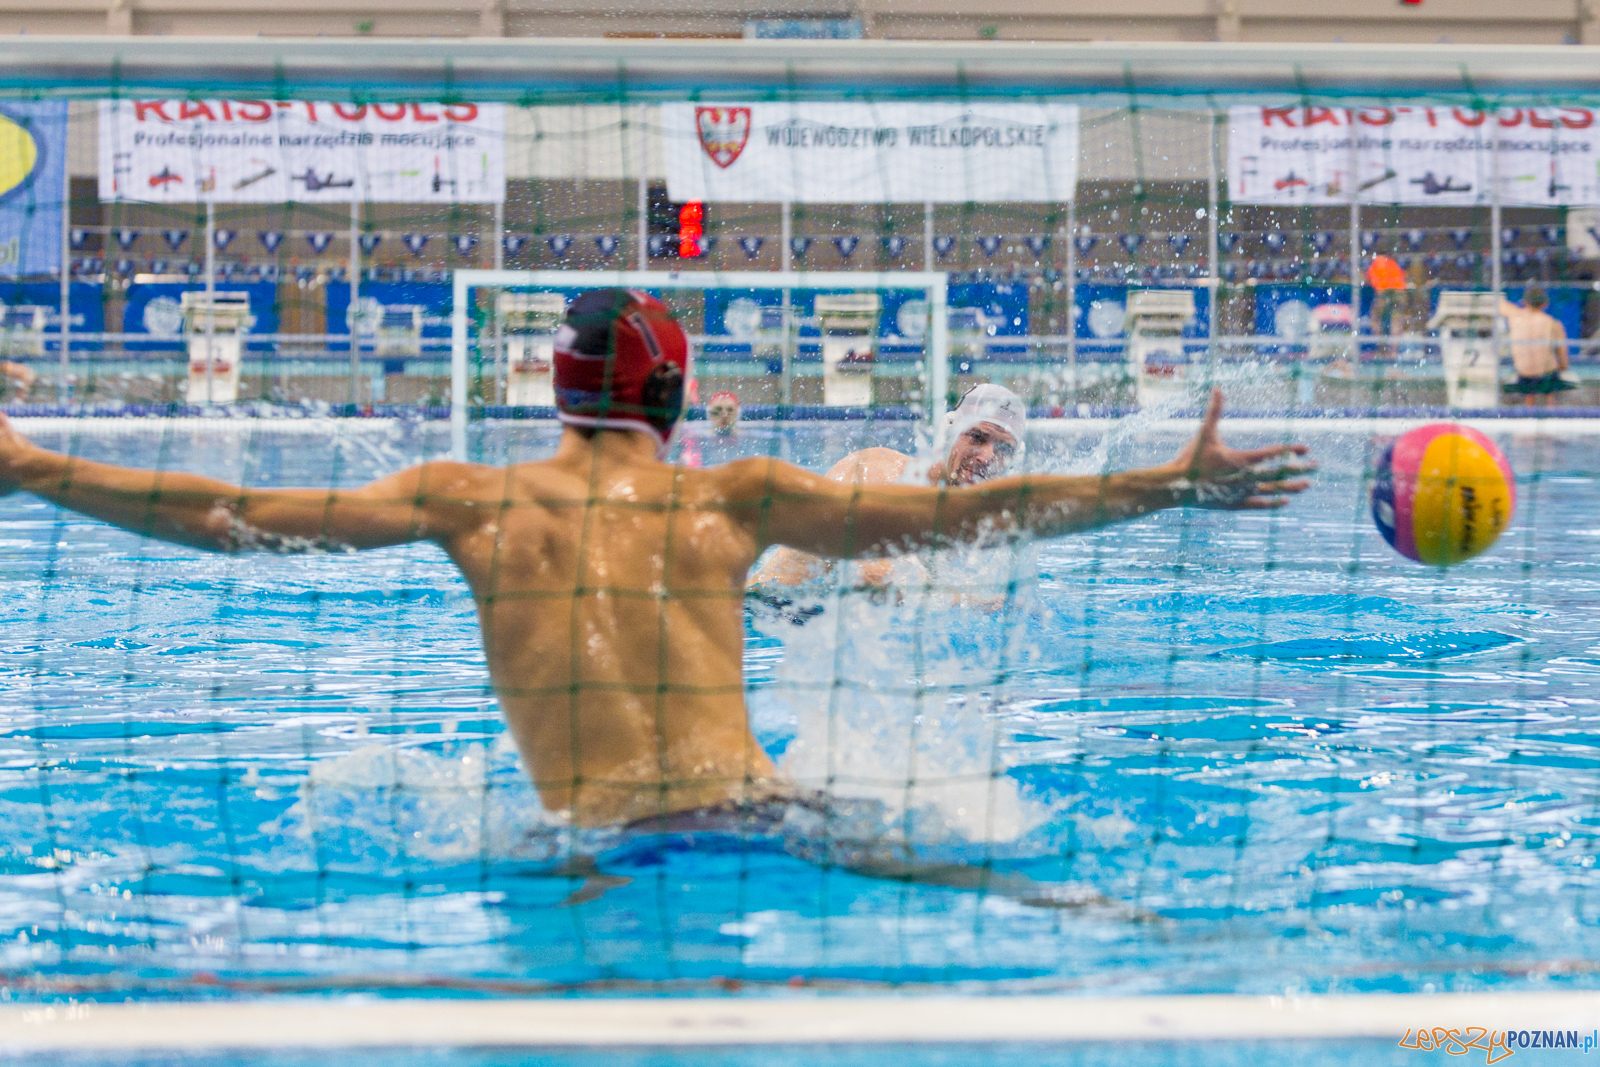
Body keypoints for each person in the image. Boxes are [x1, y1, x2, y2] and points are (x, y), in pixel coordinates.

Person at [0, 288, 1312, 833]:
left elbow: (225, 514)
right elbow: (984, 514)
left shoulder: (471, 501)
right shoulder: (734, 498)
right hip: (769, 820)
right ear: (676, 393)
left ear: (554, 392)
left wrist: (25, 463)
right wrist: (1167, 484)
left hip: (589, 842)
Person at [747, 382, 1027, 593]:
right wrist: (974, 604)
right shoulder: (880, 470)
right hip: (767, 612)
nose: (987, 457)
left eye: (1003, 448)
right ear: (951, 431)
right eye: (977, 437)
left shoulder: (975, 520)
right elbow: (870, 574)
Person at [1501, 286, 1576, 407]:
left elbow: (1500, 304)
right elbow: (1563, 356)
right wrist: (1563, 368)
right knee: (1551, 385)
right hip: (1547, 376)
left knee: (1530, 392)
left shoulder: (1515, 318)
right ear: (1545, 304)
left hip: (1524, 376)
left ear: (1524, 302)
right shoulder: (1553, 324)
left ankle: (1528, 408)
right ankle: (1551, 408)